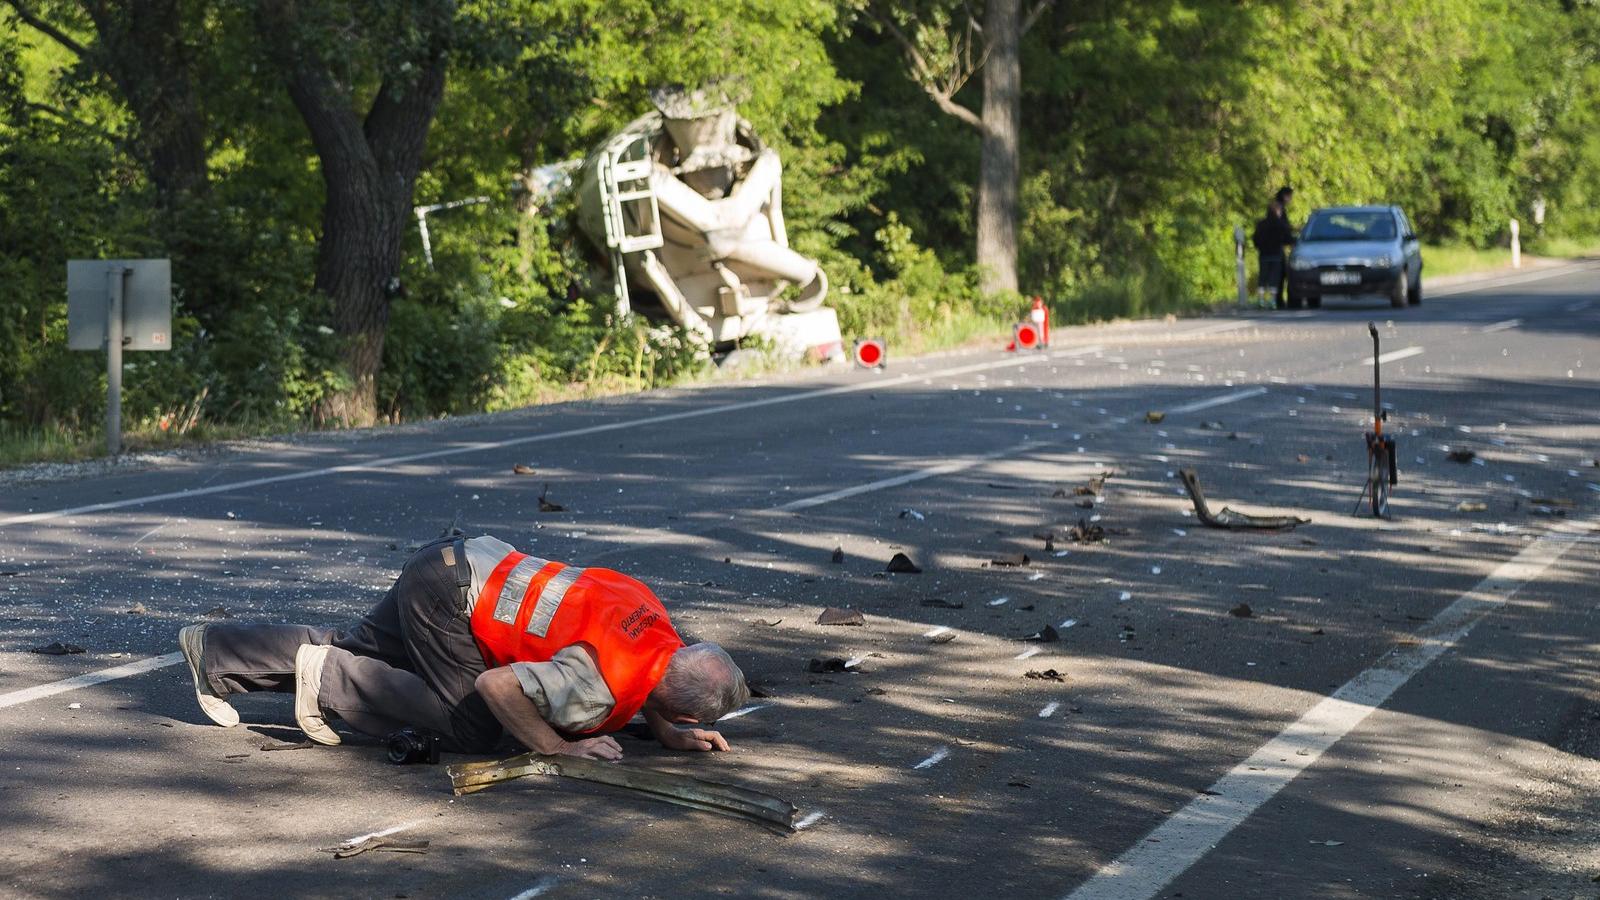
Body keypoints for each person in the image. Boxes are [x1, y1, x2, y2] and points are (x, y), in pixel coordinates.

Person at [176, 534, 749, 760]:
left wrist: (665, 729)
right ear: (682, 706)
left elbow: (657, 679)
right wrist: (556, 747)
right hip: (452, 599)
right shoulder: (598, 684)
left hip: (462, 559)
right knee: (478, 727)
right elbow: (497, 686)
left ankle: (215, 651)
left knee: (368, 651)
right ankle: (326, 677)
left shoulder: (656, 628)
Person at [1251, 199, 1297, 308]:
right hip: (1276, 255)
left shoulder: (1261, 224)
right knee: (1274, 278)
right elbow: (1288, 238)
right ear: (1276, 211)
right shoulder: (1281, 225)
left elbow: (1255, 239)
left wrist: (1260, 247)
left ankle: (1261, 301)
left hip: (1263, 255)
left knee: (1262, 277)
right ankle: (1272, 301)